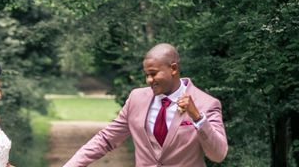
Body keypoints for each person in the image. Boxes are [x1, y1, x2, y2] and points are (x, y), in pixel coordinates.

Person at [63, 43, 228, 167]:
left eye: (154, 74)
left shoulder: (207, 103)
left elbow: (218, 155)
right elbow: (106, 139)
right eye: (147, 75)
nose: (149, 80)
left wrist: (197, 118)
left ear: (173, 69)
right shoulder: (136, 98)